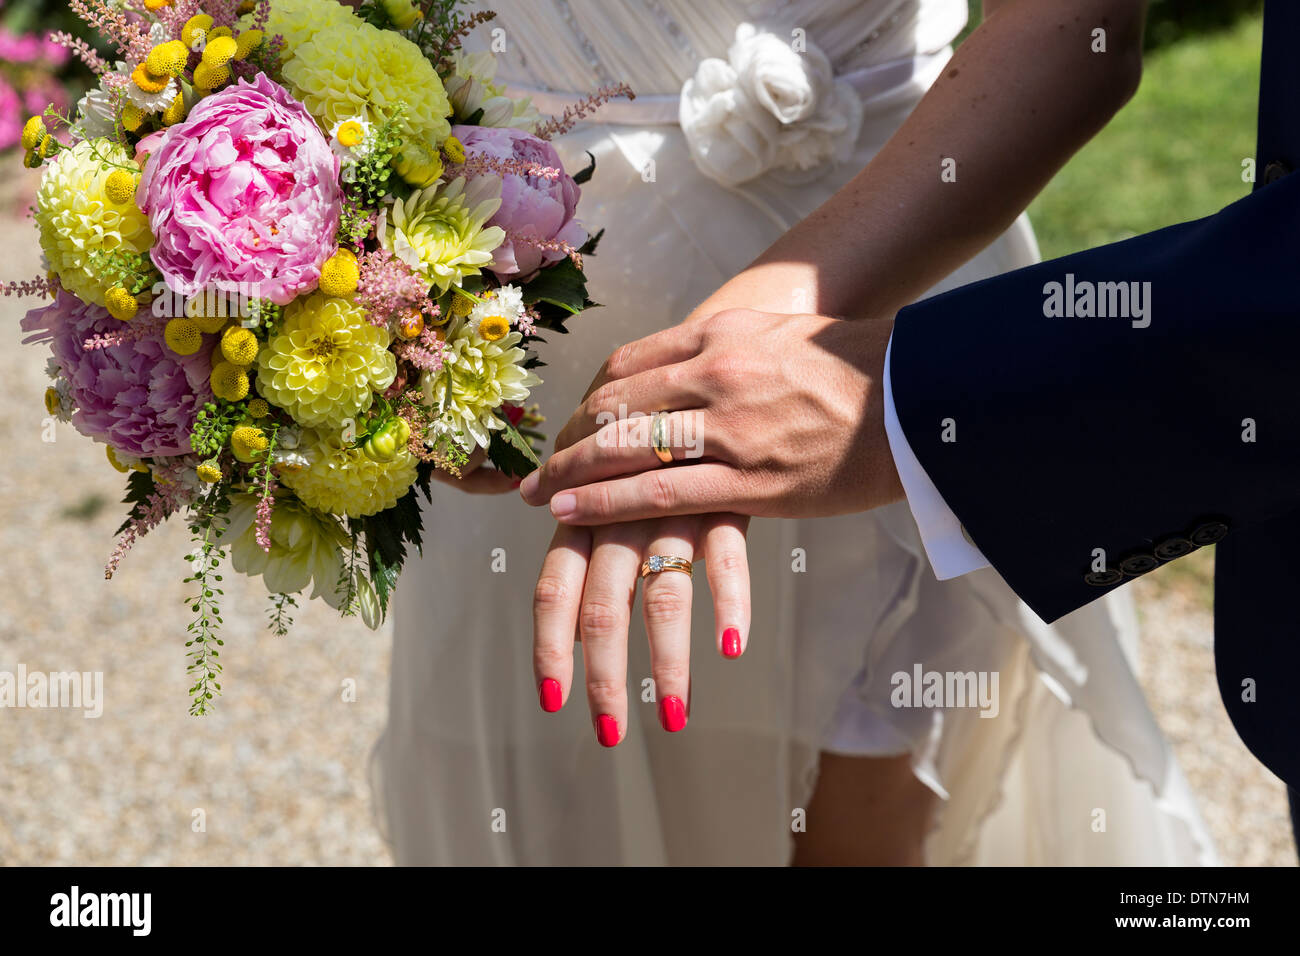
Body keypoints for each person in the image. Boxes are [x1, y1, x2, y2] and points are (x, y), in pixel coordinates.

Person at [376, 0, 1215, 865]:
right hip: (496, 317)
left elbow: (1079, 28)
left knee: (861, 783)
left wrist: (711, 371)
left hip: (881, 282)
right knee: (542, 781)